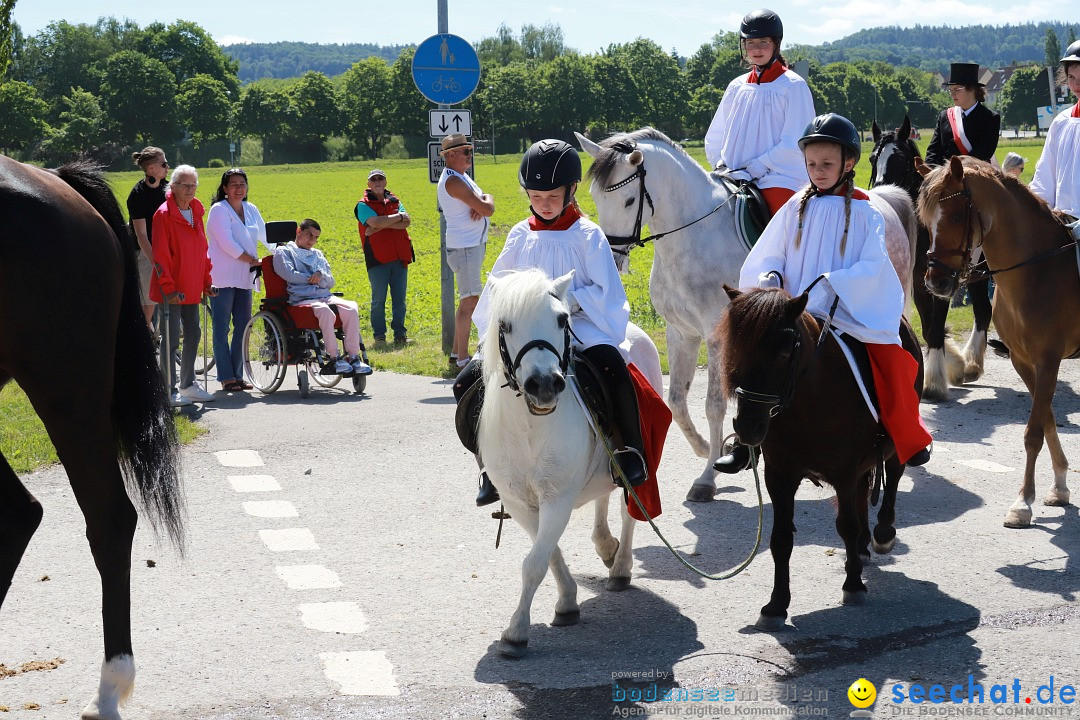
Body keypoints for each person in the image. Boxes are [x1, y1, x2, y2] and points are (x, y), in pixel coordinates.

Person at [714, 114, 932, 473]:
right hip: (793, 310)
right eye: (812, 163)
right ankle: (746, 442)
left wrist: (836, 279)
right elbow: (769, 252)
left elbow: (875, 264)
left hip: (845, 310)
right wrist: (770, 276)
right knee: (754, 360)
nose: (818, 171)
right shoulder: (795, 206)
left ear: (849, 163)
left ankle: (904, 432)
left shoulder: (865, 212)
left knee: (890, 356)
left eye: (827, 164)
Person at [453, 140, 648, 507]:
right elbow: (499, 286)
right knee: (466, 382)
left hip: (578, 322)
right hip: (527, 331)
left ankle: (629, 453)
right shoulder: (519, 235)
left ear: (571, 191)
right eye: (536, 195)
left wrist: (565, 302)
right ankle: (488, 465)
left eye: (553, 195)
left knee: (613, 367)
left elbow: (608, 292)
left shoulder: (588, 235)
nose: (544, 203)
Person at [703, 8, 816, 217]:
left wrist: (758, 167)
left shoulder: (793, 86)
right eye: (750, 43)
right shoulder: (736, 86)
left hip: (777, 177)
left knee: (784, 224)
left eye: (763, 42)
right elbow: (716, 134)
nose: (756, 49)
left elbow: (794, 142)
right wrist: (720, 163)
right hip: (732, 175)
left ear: (776, 44)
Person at [150, 165, 216, 407]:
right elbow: (161, 254)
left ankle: (188, 385)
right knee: (170, 339)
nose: (190, 190)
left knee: (194, 333)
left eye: (193, 185)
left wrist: (206, 281)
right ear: (174, 187)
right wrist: (167, 287)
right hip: (172, 289)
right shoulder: (163, 214)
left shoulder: (196, 212)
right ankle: (168, 389)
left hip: (191, 286)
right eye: (185, 185)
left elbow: (202, 251)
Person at [273, 219, 373, 377]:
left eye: (315, 237)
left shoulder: (317, 254)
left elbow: (330, 281)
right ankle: (333, 358)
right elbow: (289, 274)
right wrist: (312, 278)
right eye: (309, 235)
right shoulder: (283, 252)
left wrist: (320, 276)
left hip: (323, 295)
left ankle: (353, 356)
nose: (312, 240)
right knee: (324, 310)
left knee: (351, 307)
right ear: (298, 231)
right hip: (301, 298)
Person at [206, 168, 268, 393]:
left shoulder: (251, 209)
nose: (239, 188)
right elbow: (227, 244)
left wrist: (279, 252)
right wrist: (253, 259)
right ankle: (226, 376)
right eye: (234, 184)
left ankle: (238, 375)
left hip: (245, 276)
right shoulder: (218, 210)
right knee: (221, 327)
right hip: (222, 276)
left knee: (243, 326)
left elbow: (265, 235)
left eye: (242, 183)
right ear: (224, 188)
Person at [437, 133, 495, 368]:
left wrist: (482, 201)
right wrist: (484, 201)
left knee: (468, 299)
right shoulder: (454, 181)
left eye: (470, 151)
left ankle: (455, 353)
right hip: (465, 247)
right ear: (450, 155)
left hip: (470, 245)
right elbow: (487, 208)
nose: (470, 155)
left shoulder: (460, 176)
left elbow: (482, 204)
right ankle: (462, 359)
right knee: (469, 301)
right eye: (466, 152)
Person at [355, 168, 415, 346]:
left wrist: (379, 225)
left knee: (400, 301)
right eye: (374, 180)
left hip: (399, 257)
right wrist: (396, 218)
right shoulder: (362, 205)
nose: (377, 182)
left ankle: (400, 334)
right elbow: (374, 222)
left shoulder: (395, 200)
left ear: (385, 182)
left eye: (380, 179)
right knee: (378, 300)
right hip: (377, 259)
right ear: (368, 184)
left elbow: (407, 223)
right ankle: (379, 336)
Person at [1030, 40, 1080, 220]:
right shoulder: (1061, 122)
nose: (1076, 86)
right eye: (1071, 78)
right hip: (1064, 224)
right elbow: (1045, 175)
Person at [126, 146, 170, 331]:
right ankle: (145, 342)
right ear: (151, 169)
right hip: (146, 251)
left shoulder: (167, 188)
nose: (168, 167)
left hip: (166, 249)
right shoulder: (137, 195)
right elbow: (141, 235)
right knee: (148, 304)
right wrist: (155, 262)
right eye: (164, 163)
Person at [925, 62, 1001, 167]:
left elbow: (984, 153)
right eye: (950, 90)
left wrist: (956, 171)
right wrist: (929, 173)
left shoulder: (990, 118)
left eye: (957, 89)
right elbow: (933, 151)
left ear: (972, 90)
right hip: (944, 177)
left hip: (975, 177)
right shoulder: (944, 116)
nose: (952, 94)